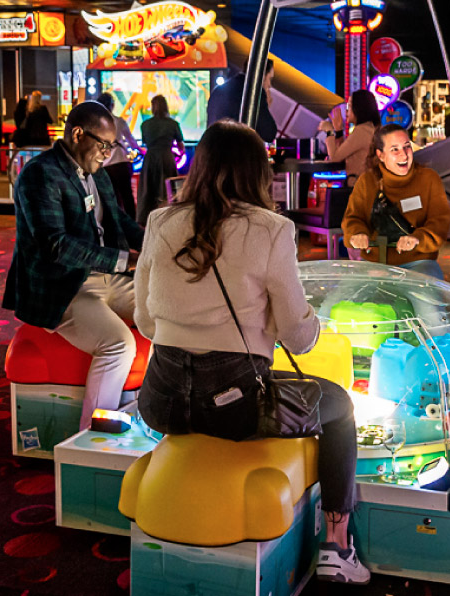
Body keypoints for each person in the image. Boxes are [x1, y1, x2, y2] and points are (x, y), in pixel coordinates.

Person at [133, 121, 369, 585]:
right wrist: (310, 322)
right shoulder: (271, 229)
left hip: (158, 402)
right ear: (258, 172)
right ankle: (338, 545)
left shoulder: (160, 221)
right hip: (233, 409)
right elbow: (299, 337)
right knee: (340, 406)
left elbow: (144, 321)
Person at [3, 101, 145, 430]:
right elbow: (55, 245)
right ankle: (93, 435)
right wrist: (124, 260)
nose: (108, 153)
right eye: (104, 145)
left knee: (168, 311)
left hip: (105, 275)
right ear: (78, 134)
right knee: (118, 345)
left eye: (113, 146)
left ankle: (158, 407)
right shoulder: (39, 174)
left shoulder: (97, 173)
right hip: (61, 285)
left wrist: (159, 243)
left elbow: (120, 222)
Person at [342, 124, 450, 280]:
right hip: (374, 264)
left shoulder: (429, 179)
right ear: (380, 155)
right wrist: (357, 233)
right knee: (336, 303)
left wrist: (418, 238)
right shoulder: (367, 181)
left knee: (428, 305)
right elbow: (353, 218)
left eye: (407, 147)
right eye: (395, 150)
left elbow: (440, 222)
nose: (404, 155)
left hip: (418, 263)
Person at [137, 95, 185, 226]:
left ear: (152, 107)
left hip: (150, 158)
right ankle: (169, 217)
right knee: (168, 188)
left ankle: (146, 219)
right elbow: (181, 147)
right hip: (167, 157)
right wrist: (178, 154)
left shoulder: (145, 124)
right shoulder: (173, 124)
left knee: (148, 188)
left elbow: (145, 143)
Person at [96, 93, 143, 219]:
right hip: (121, 162)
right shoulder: (119, 121)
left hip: (105, 165)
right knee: (127, 194)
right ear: (112, 105)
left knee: (112, 197)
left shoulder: (96, 124)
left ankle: (116, 223)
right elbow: (131, 140)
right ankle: (132, 222)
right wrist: (139, 150)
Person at [206, 61, 278, 142]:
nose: (269, 85)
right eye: (270, 79)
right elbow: (269, 133)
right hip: (236, 151)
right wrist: (266, 105)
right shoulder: (254, 91)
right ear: (262, 76)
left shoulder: (219, 90)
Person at [319, 90, 380, 180]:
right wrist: (338, 131)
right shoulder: (369, 128)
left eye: (349, 106)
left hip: (358, 187)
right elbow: (342, 154)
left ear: (358, 109)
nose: (346, 110)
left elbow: (334, 158)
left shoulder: (362, 130)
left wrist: (329, 131)